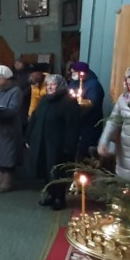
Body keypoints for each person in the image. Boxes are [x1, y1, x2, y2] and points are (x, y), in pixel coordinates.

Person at [26, 74, 80, 209]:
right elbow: (35, 118)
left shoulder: (69, 102)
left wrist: (69, 146)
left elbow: (73, 126)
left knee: (57, 172)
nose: (49, 87)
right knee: (45, 169)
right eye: (48, 84)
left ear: (60, 85)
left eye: (53, 84)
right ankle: (50, 194)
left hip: (58, 145)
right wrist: (28, 136)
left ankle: (60, 198)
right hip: (42, 141)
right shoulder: (44, 99)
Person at [68, 62, 105, 159]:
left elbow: (91, 104)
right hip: (76, 124)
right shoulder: (74, 82)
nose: (72, 74)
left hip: (89, 124)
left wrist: (76, 115)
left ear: (81, 72)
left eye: (74, 72)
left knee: (85, 153)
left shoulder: (94, 85)